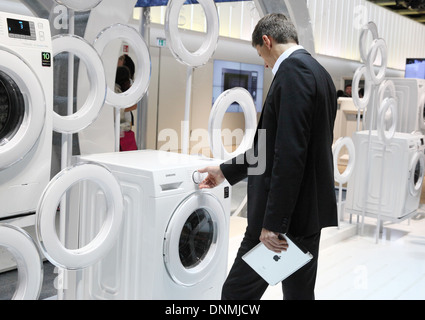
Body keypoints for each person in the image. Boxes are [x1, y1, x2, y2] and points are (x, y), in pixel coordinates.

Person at [198, 13, 338, 300]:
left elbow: (290, 154)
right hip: (307, 216)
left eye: (262, 54)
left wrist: (274, 223)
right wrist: (225, 171)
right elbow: (273, 149)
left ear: (267, 40)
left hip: (283, 222)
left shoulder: (293, 73)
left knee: (236, 294)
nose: (264, 62)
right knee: (299, 295)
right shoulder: (320, 73)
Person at [115, 66, 137, 151]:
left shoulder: (120, 89)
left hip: (123, 129)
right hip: (121, 130)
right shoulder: (116, 89)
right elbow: (133, 105)